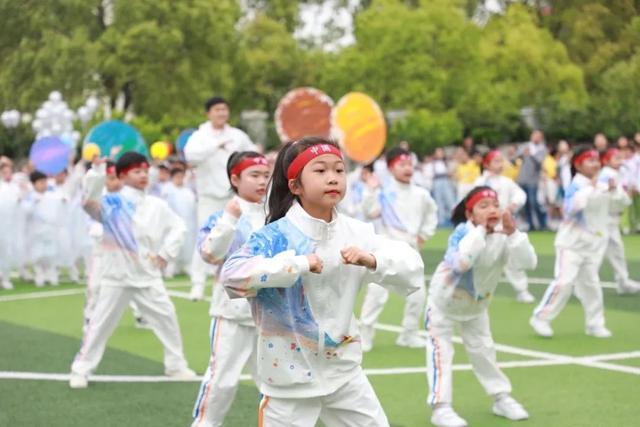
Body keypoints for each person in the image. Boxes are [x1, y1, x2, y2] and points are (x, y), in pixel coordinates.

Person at [219, 137, 424, 427]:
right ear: (295, 186)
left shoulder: (356, 231)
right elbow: (232, 276)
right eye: (320, 170)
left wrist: (373, 260)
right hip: (289, 383)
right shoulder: (275, 236)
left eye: (339, 170)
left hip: (343, 374)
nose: (333, 178)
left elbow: (413, 267)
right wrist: (298, 264)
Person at [69, 152, 195, 389]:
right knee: (99, 325)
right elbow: (87, 203)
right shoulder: (111, 202)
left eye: (145, 171)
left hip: (147, 276)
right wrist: (96, 173)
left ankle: (176, 365)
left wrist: (166, 253)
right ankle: (81, 369)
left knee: (167, 317)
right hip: (116, 277)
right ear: (122, 175)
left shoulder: (157, 205)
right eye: (137, 172)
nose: (143, 176)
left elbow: (179, 226)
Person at [426, 186, 535, 427]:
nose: (491, 210)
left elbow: (529, 262)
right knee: (440, 353)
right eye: (483, 207)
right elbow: (461, 263)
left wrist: (514, 233)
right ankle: (441, 407)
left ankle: (501, 398)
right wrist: (480, 232)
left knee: (484, 351)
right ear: (470, 214)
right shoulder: (462, 233)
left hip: (477, 306)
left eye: (495, 205)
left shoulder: (504, 235)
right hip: (443, 303)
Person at [191, 151, 269, 427]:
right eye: (255, 175)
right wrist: (228, 220)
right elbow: (209, 254)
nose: (262, 181)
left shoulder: (276, 215)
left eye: (266, 175)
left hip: (272, 316)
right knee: (222, 380)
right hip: (232, 313)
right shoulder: (221, 216)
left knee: (275, 383)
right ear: (235, 179)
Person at [530, 146, 628, 339]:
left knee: (591, 285)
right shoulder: (575, 185)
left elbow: (621, 204)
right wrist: (596, 190)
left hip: (594, 245)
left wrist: (614, 191)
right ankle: (541, 317)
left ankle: (594, 324)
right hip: (571, 245)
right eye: (590, 161)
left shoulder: (604, 184)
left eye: (596, 160)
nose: (595, 164)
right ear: (578, 164)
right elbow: (572, 208)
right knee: (564, 282)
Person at [359, 147, 438, 350]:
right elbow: (370, 212)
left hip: (411, 252)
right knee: (376, 295)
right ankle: (365, 336)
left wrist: (424, 235)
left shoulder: (421, 194)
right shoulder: (384, 192)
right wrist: (370, 190)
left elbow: (431, 214)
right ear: (391, 168)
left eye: (409, 164)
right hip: (385, 251)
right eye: (401, 165)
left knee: (418, 295)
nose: (407, 168)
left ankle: (408, 334)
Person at [184, 96, 256, 301]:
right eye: (217, 110)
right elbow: (190, 156)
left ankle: (237, 278)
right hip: (209, 197)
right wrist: (216, 145)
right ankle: (197, 284)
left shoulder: (237, 135)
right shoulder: (200, 136)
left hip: (233, 196)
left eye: (224, 109)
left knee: (240, 236)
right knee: (205, 237)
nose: (221, 113)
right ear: (209, 113)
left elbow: (252, 154)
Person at [474, 150, 534, 303]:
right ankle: (477, 290)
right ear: (486, 164)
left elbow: (520, 194)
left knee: (512, 260)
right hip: (484, 230)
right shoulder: (480, 182)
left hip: (504, 229)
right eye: (496, 161)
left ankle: (522, 290)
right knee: (482, 261)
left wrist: (514, 204)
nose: (501, 164)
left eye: (502, 161)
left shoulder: (506, 182)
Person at [598, 148, 639, 294]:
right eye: (616, 159)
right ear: (607, 161)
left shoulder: (614, 173)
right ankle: (582, 283)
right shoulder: (607, 174)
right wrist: (627, 195)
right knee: (597, 253)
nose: (620, 161)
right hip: (604, 219)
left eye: (620, 158)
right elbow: (615, 197)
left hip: (611, 219)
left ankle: (623, 282)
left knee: (616, 251)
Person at [22, 171, 65, 287]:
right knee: (38, 255)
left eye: (45, 182)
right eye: (40, 182)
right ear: (34, 184)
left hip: (50, 230)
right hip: (36, 232)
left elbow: (62, 202)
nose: (43, 185)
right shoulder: (30, 197)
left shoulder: (52, 195)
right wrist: (33, 203)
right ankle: (39, 274)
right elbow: (25, 211)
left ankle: (51, 274)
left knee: (51, 253)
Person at [164, 164, 198, 279]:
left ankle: (185, 267)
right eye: (177, 176)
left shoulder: (187, 191)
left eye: (182, 176)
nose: (180, 179)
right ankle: (169, 269)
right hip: (172, 224)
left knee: (188, 245)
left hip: (188, 223)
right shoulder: (167, 190)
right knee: (173, 245)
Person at [517, 130, 547, 231]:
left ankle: (543, 223)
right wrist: (522, 153)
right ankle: (531, 225)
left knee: (534, 202)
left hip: (533, 180)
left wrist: (531, 154)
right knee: (526, 204)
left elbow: (539, 162)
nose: (535, 138)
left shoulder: (542, 149)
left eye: (538, 136)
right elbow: (516, 157)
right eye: (534, 135)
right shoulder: (525, 146)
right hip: (522, 179)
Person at [0, 161, 20, 289]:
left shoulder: (16, 187)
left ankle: (6, 278)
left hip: (10, 226)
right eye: (4, 172)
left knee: (7, 252)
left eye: (9, 172)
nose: (7, 174)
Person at [427, 147, 456, 226]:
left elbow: (451, 173)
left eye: (441, 152)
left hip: (446, 181)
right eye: (438, 152)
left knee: (450, 200)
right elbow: (429, 175)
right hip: (437, 181)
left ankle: (454, 219)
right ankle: (441, 221)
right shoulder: (432, 164)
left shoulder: (446, 163)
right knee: (439, 202)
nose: (440, 154)